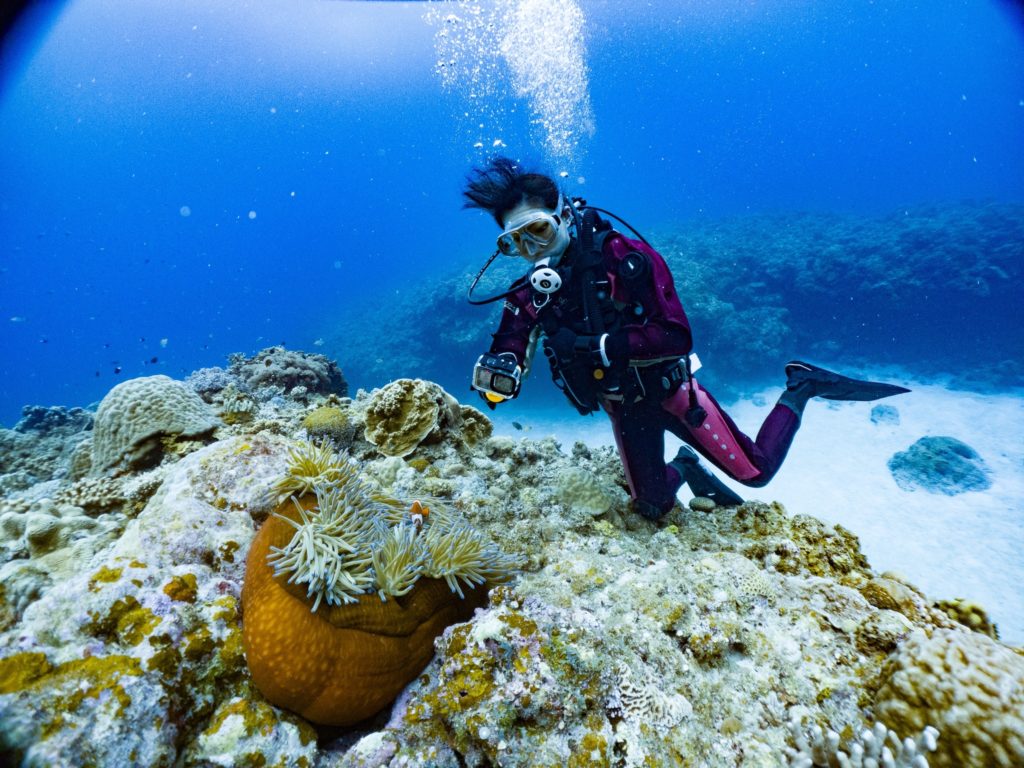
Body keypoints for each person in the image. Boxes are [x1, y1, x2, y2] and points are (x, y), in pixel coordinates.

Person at [464, 157, 909, 521]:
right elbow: (510, 342)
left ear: (563, 214)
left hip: (674, 394)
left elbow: (676, 335)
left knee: (756, 472)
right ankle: (685, 465)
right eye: (514, 242)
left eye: (538, 230)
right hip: (623, 407)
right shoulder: (530, 292)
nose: (532, 250)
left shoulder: (625, 257)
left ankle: (802, 385)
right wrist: (501, 371)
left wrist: (596, 347)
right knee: (652, 508)